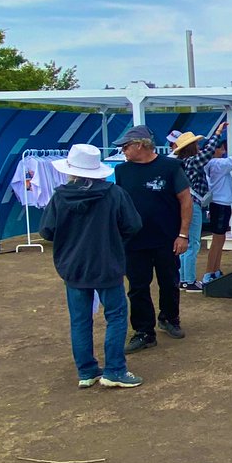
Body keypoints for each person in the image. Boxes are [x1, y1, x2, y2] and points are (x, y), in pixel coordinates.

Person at [39, 144, 144, 389]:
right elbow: (133, 225)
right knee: (116, 316)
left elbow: (47, 231)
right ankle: (115, 369)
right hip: (108, 263)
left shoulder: (60, 196)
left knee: (80, 319)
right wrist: (115, 241)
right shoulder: (114, 194)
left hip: (73, 266)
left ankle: (86, 371)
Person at [111, 125, 193, 353]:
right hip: (134, 241)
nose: (123, 151)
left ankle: (169, 318)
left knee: (169, 281)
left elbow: (186, 201)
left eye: (126, 146)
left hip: (167, 238)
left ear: (140, 145)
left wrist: (183, 234)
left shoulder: (170, 167)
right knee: (137, 286)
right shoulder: (122, 171)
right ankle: (144, 331)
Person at [172, 122, 228, 291]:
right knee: (192, 244)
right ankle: (189, 280)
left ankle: (183, 279)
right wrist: (217, 132)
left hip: (182, 205)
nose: (198, 146)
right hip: (193, 205)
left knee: (185, 243)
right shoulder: (192, 162)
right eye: (196, 144)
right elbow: (208, 151)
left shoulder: (181, 163)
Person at [202, 140, 232, 285]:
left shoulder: (212, 163)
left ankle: (215, 270)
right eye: (221, 148)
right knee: (217, 241)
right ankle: (208, 273)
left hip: (220, 204)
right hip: (219, 205)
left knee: (220, 239)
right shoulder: (215, 163)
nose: (223, 151)